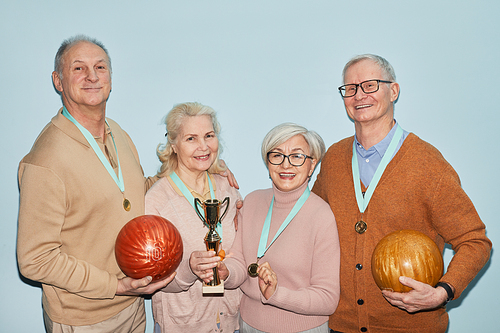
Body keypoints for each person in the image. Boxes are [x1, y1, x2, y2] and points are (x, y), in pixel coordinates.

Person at [312, 54, 492, 333]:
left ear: (393, 91)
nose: (359, 95)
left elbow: (474, 240)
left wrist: (443, 291)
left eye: (370, 85)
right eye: (350, 88)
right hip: (341, 325)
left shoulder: (428, 163)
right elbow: (308, 222)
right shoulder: (334, 158)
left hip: (411, 328)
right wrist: (219, 169)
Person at [16, 35, 178, 332]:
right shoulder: (45, 161)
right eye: (78, 68)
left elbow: (135, 193)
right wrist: (115, 286)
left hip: (133, 307)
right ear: (58, 81)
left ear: (111, 79)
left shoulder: (116, 132)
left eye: (100, 67)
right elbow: (34, 259)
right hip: (84, 319)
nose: (92, 76)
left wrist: (199, 173)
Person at [195, 122, 340, 333]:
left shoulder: (322, 215)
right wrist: (225, 272)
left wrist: (276, 294)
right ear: (267, 161)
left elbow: (328, 298)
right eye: (277, 155)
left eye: (297, 156)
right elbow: (239, 260)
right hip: (247, 325)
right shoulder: (252, 201)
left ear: (312, 164)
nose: (286, 165)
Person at [145, 102, 242, 333]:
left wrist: (230, 274)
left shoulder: (229, 189)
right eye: (191, 138)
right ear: (173, 144)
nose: (203, 146)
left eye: (209, 135)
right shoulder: (156, 200)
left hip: (230, 322)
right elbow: (152, 275)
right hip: (181, 325)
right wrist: (190, 268)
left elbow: (241, 253)